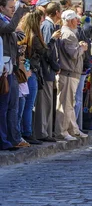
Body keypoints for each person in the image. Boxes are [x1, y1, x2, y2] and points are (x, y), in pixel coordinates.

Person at [55, 10, 88, 141]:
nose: (78, 21)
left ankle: (73, 129)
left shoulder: (69, 33)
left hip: (71, 73)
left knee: (69, 103)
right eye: (75, 19)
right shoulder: (68, 34)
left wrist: (79, 47)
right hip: (68, 73)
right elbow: (73, 54)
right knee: (65, 104)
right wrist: (82, 49)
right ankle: (62, 132)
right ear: (69, 20)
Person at [0, 0, 28, 149]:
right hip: (3, 71)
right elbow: (9, 29)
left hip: (10, 69)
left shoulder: (6, 20)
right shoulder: (2, 21)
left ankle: (11, 138)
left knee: (11, 106)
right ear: (1, 8)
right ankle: (4, 141)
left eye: (13, 7)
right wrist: (19, 13)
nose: (12, 10)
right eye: (10, 7)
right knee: (3, 107)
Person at [17, 9, 48, 145]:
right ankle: (27, 132)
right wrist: (51, 40)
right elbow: (44, 51)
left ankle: (24, 132)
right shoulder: (35, 37)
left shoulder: (24, 35)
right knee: (28, 104)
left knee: (24, 104)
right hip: (31, 72)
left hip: (25, 71)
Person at [36, 2, 61, 142]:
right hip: (46, 69)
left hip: (50, 69)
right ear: (57, 12)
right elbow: (46, 49)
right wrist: (55, 65)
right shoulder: (48, 25)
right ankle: (42, 132)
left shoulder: (52, 25)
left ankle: (46, 132)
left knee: (48, 102)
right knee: (44, 103)